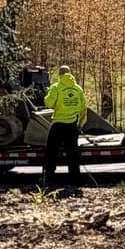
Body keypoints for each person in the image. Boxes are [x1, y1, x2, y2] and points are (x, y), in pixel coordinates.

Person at [41, 64, 88, 192]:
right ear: (70, 73)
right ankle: (75, 179)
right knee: (73, 153)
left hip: (58, 124)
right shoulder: (77, 89)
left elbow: (48, 103)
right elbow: (83, 109)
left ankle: (49, 178)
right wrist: (80, 124)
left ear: (59, 75)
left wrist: (47, 96)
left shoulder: (56, 87)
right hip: (72, 125)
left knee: (52, 152)